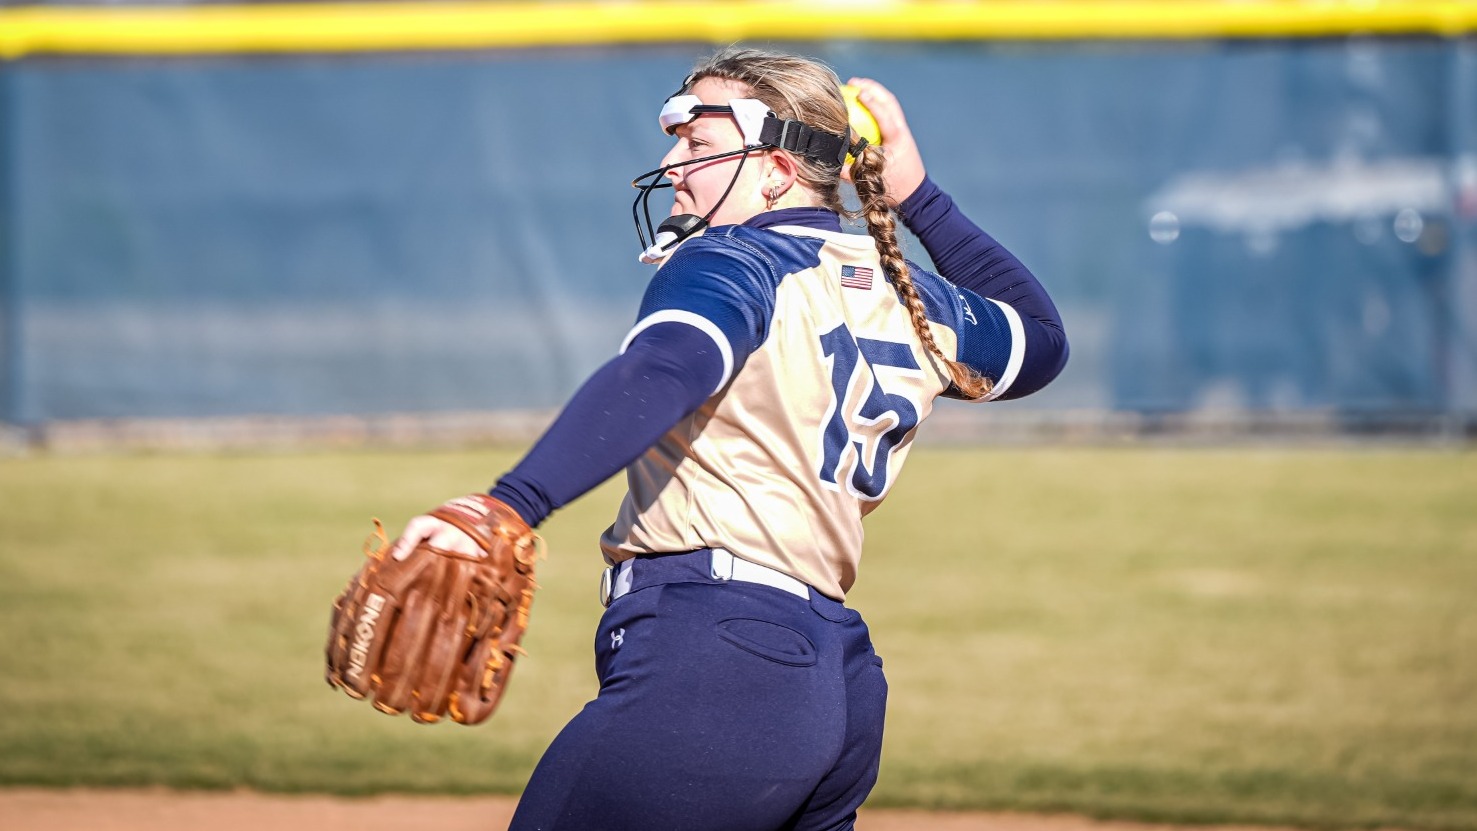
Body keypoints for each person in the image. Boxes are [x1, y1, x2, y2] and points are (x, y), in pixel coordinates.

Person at [389, 47, 1069, 831]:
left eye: (699, 146)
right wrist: (915, 193)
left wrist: (509, 506)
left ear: (777, 170)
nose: (671, 163)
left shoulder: (736, 258)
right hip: (832, 678)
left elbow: (668, 365)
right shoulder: (910, 298)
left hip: (712, 665)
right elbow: (1042, 338)